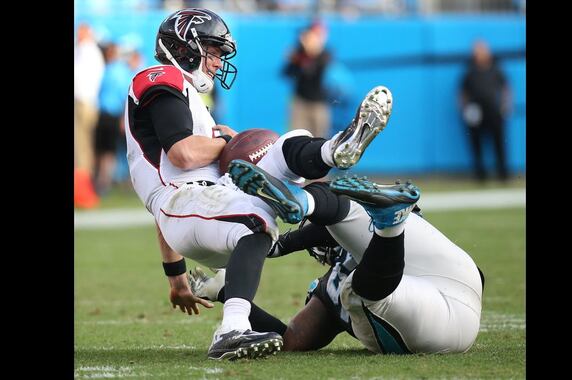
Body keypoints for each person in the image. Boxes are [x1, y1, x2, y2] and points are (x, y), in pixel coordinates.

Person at [124, 7, 392, 361]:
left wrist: (176, 279)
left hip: (202, 203)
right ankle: (231, 330)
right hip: (185, 203)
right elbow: (184, 156)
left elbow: (170, 192)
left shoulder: (194, 102)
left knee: (281, 146)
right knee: (256, 219)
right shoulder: (159, 78)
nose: (218, 62)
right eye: (213, 50)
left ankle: (334, 150)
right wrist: (228, 143)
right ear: (186, 46)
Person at [190, 174, 484, 355]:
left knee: (352, 290)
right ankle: (317, 205)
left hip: (436, 319)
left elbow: (291, 340)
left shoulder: (332, 284)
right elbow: (290, 339)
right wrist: (226, 290)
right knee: (353, 259)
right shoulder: (332, 282)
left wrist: (283, 244)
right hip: (456, 275)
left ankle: (313, 205)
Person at [459, 39, 512, 182]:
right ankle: (480, 174)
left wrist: (506, 105)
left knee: (499, 142)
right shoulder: (470, 71)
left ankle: (503, 174)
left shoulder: (496, 68)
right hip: (476, 111)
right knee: (476, 143)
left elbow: (506, 88)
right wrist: (464, 110)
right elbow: (463, 92)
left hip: (494, 110)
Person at [283, 20, 332, 139]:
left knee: (320, 140)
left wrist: (308, 54)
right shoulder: (299, 52)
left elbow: (313, 72)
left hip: (319, 104)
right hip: (300, 101)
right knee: (295, 138)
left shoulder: (325, 54)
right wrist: (295, 59)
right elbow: (287, 73)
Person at [94, 42, 131, 196]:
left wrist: (124, 117)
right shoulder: (108, 68)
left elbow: (125, 96)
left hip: (114, 115)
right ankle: (103, 181)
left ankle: (107, 182)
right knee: (102, 149)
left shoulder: (119, 71)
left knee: (110, 151)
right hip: (104, 114)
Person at [74, 22, 105, 208]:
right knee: (84, 148)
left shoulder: (86, 50)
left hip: (83, 102)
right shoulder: (91, 51)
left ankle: (83, 194)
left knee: (81, 148)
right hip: (88, 102)